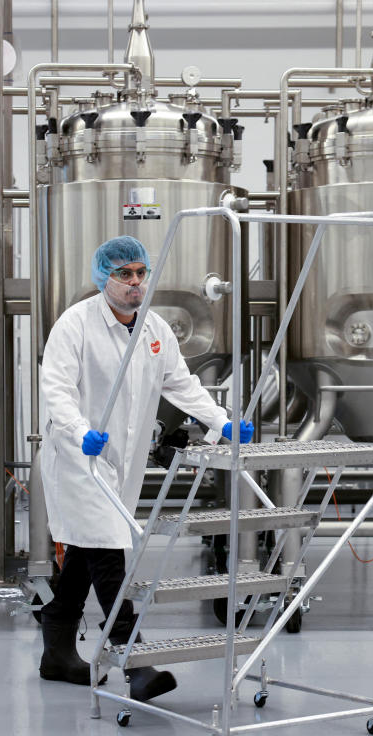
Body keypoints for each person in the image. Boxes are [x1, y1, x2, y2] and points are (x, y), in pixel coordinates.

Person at [37, 235, 254, 701]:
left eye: (140, 274)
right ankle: (134, 658)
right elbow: (56, 390)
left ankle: (56, 646)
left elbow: (183, 384)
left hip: (122, 462)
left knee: (87, 548)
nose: (135, 283)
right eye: (124, 275)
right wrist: (79, 432)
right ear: (104, 278)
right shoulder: (74, 325)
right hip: (80, 458)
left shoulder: (154, 328)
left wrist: (222, 421)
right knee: (109, 548)